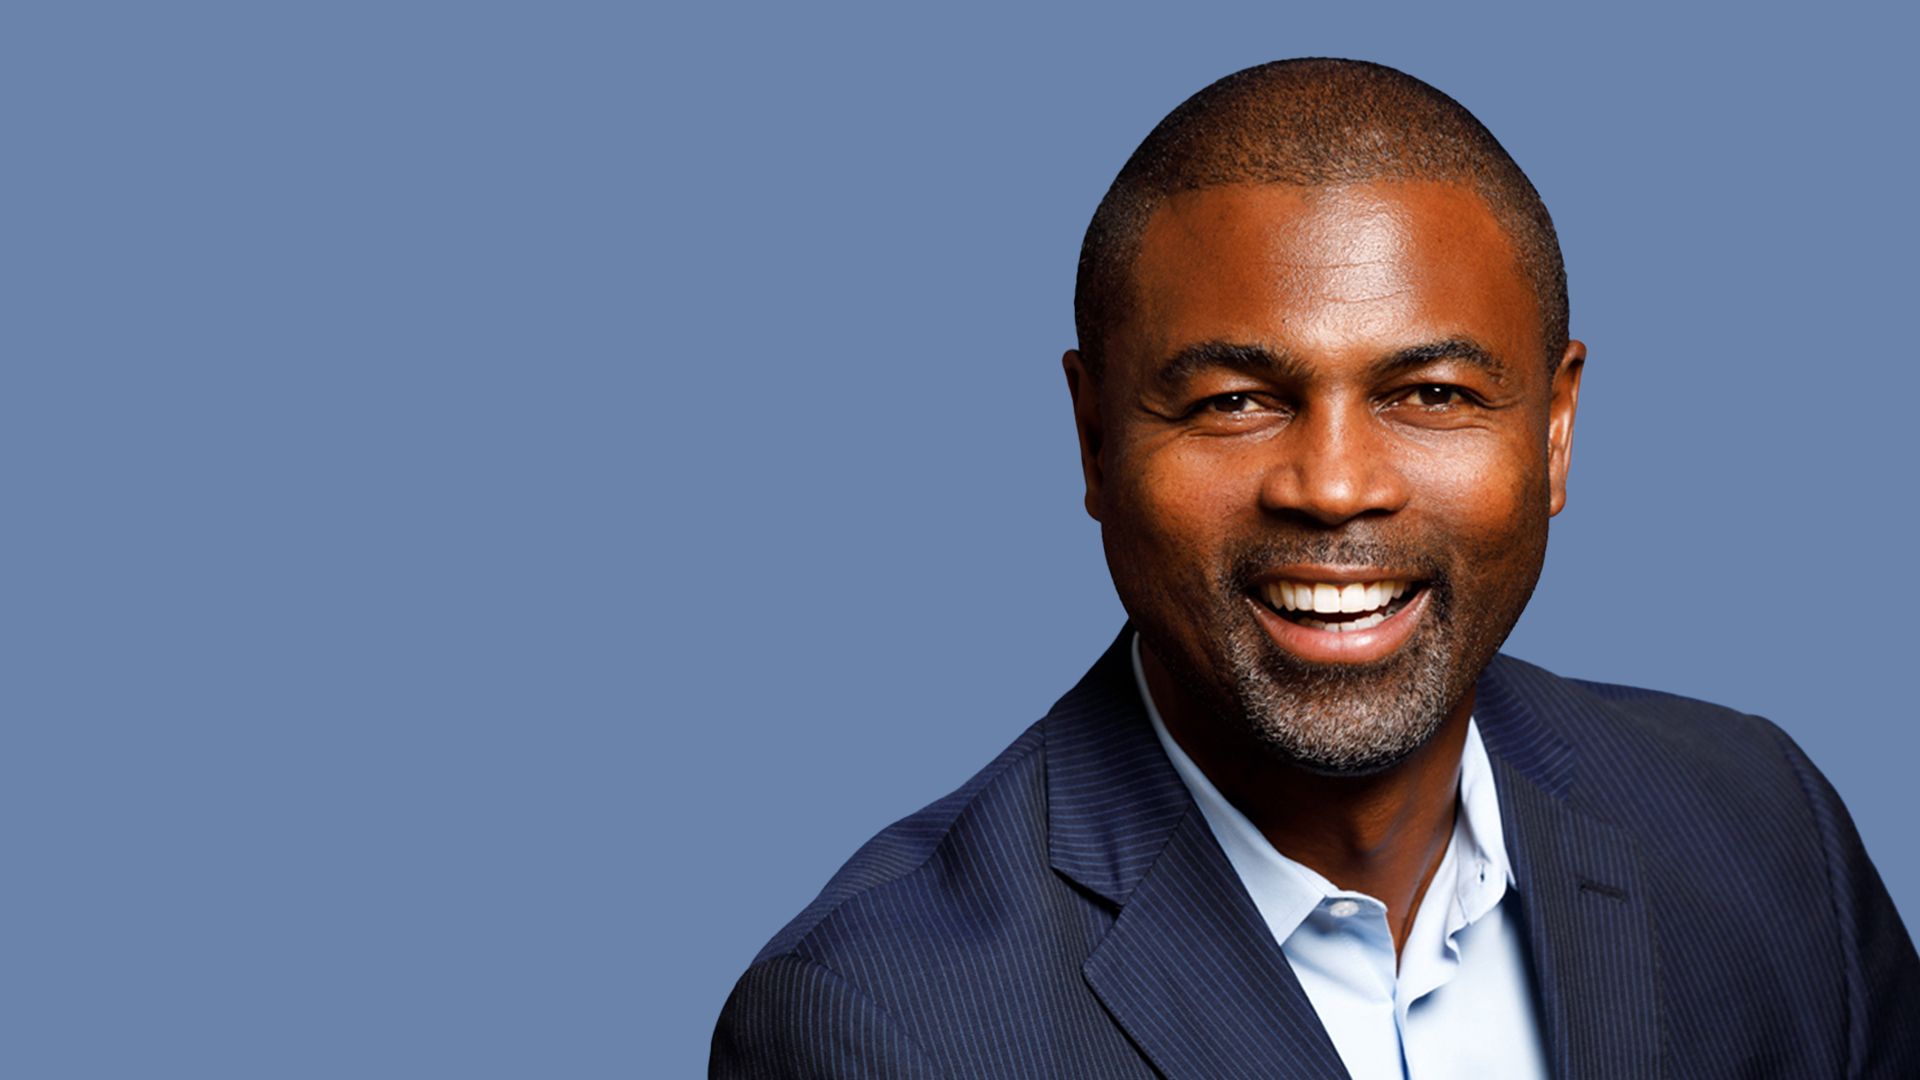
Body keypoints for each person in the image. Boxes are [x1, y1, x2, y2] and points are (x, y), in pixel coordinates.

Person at [709, 58, 1920, 1079]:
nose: (1334, 486)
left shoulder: (1765, 833)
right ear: (1092, 440)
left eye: (1431, 394)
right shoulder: (878, 1026)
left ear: (1555, 433)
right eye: (1235, 401)